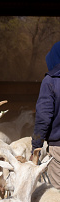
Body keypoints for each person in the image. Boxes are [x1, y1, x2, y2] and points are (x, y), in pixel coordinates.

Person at [32, 41, 60, 189]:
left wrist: (35, 148)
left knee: (58, 198)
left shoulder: (51, 81)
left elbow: (43, 117)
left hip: (58, 148)